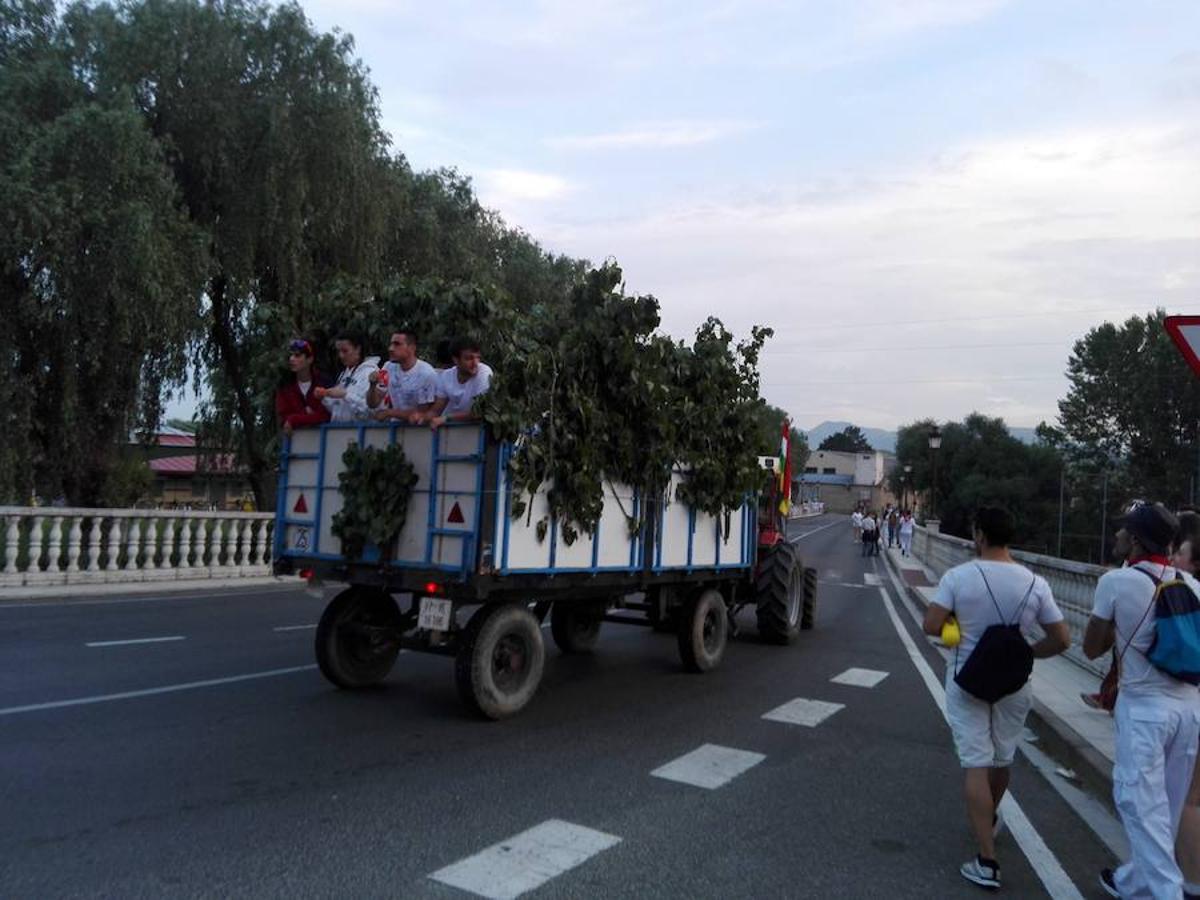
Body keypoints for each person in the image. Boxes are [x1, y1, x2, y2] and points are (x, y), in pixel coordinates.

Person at [923, 507, 1070, 891]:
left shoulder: (959, 576)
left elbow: (931, 625)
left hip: (967, 680)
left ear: (979, 535)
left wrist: (956, 622)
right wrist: (1027, 653)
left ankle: (987, 860)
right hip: (1014, 684)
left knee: (976, 762)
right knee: (1002, 757)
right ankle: (988, 818)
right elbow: (1062, 639)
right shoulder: (1035, 583)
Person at [1084, 502, 1200, 899]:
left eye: (1121, 532)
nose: (1115, 536)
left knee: (1136, 802)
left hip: (1145, 710)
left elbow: (1091, 648)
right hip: (1189, 710)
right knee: (1165, 808)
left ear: (1134, 540)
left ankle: (1167, 893)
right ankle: (1131, 882)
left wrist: (1115, 622)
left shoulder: (1117, 582)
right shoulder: (1192, 585)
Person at [1172, 511, 1200, 896]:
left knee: (1190, 800)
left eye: (1180, 553)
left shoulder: (1186, 597)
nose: (1174, 559)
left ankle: (1191, 883)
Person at [367, 330, 438, 424]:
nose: (391, 348)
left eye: (397, 344)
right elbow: (373, 404)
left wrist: (389, 413)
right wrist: (372, 386)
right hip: (395, 428)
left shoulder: (427, 374)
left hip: (421, 432)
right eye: (391, 344)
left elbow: (422, 412)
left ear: (412, 348)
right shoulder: (387, 367)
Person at [423, 336, 493, 430]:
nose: (475, 363)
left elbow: (479, 412)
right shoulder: (446, 376)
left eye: (478, 358)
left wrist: (446, 418)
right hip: (451, 433)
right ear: (456, 360)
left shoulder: (484, 373)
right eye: (469, 358)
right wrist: (420, 417)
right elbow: (436, 410)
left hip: (474, 433)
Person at [274, 338, 331, 435]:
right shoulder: (285, 386)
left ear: (310, 359)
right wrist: (310, 417)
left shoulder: (324, 382)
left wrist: (294, 419)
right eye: (291, 355)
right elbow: (283, 419)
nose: (292, 359)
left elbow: (326, 416)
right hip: (295, 443)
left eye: (297, 355)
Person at [318, 333, 379, 422]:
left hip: (361, 432)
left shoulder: (370, 373)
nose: (341, 356)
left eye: (345, 351)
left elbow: (369, 411)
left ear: (358, 349)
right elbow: (338, 409)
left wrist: (345, 395)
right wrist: (325, 397)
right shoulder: (344, 374)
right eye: (338, 351)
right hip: (340, 432)